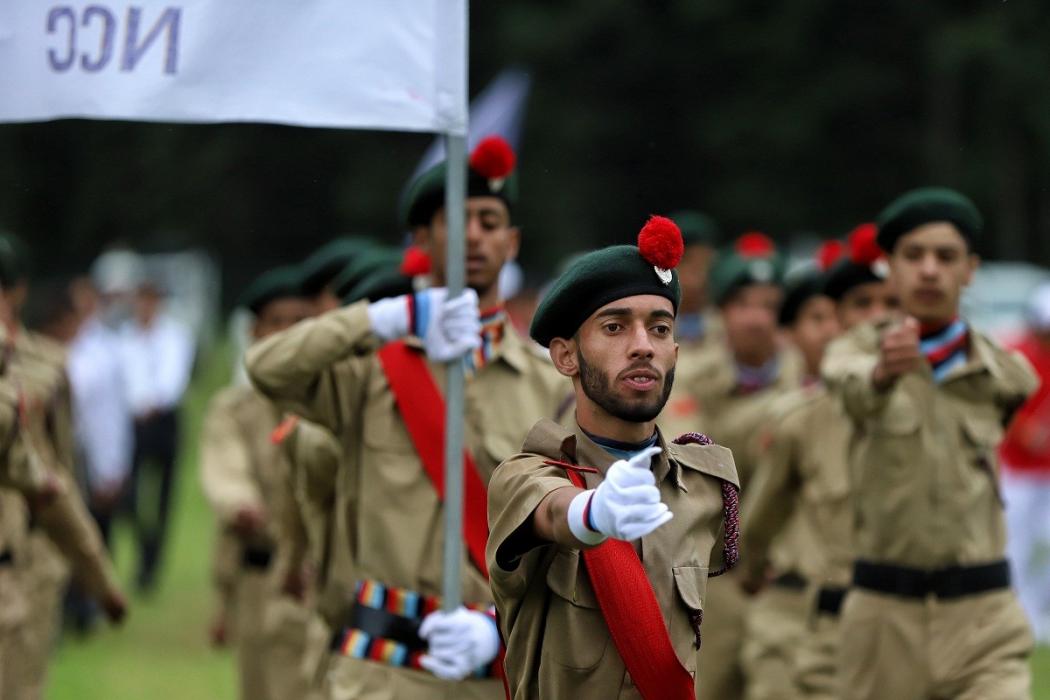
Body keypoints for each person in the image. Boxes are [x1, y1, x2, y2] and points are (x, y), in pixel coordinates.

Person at [246, 136, 566, 699]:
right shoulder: (371, 371)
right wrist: (385, 319)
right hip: (384, 672)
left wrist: (497, 630)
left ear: (512, 242)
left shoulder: (551, 385)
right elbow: (267, 368)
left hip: (497, 665)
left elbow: (564, 539)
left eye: (490, 221)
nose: (474, 235)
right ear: (421, 239)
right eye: (456, 220)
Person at [486, 215, 739, 699]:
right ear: (566, 357)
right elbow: (552, 509)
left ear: (675, 352)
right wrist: (592, 513)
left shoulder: (705, 484)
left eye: (660, 329)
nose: (643, 346)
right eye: (615, 326)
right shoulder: (526, 476)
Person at [823, 187, 1037, 699]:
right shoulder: (854, 353)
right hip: (884, 619)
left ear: (970, 269)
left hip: (984, 616)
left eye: (946, 257)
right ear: (890, 269)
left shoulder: (1003, 372)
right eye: (913, 256)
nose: (929, 270)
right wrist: (883, 373)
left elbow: (1020, 390)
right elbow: (850, 384)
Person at [687, 232, 801, 700]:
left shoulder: (813, 379)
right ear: (722, 313)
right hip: (713, 579)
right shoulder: (690, 379)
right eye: (743, 305)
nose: (757, 319)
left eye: (770, 306)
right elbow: (691, 459)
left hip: (790, 577)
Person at [201, 266, 315, 700]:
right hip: (261, 577)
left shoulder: (339, 402)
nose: (287, 333)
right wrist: (240, 504)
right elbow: (224, 468)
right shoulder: (233, 409)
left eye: (300, 321)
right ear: (254, 332)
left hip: (327, 577)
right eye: (276, 322)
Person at [738, 244, 842, 700]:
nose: (833, 331)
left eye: (840, 316)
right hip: (790, 599)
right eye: (817, 319)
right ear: (791, 333)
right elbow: (756, 514)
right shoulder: (779, 414)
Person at [119, 278, 195, 592]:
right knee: (131, 496)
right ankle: (143, 550)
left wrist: (152, 402)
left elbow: (173, 378)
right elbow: (124, 378)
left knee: (163, 495)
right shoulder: (125, 337)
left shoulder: (175, 335)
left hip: (163, 420)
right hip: (133, 422)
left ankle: (152, 563)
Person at [1000, 282, 1050, 644]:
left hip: (1047, 472)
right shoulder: (1015, 354)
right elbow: (1002, 408)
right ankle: (1017, 613)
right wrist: (1024, 431)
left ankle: (1039, 608)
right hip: (1016, 471)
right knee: (1014, 545)